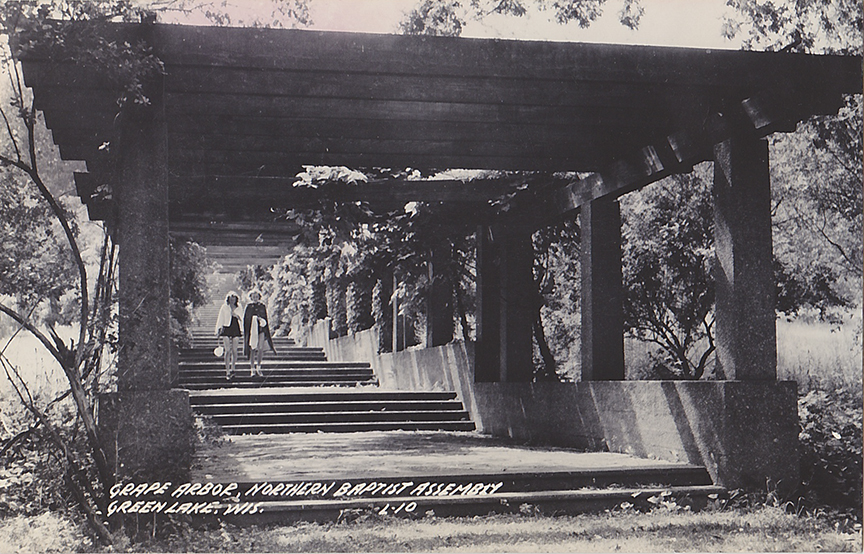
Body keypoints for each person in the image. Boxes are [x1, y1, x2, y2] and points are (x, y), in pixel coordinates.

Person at [243, 290, 276, 376]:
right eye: (253, 297)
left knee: (260, 348)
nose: (255, 298)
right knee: (253, 348)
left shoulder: (262, 306)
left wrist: (260, 319)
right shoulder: (249, 306)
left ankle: (259, 366)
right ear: (251, 297)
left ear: (259, 297)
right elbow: (246, 319)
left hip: (261, 329)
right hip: (252, 331)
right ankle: (252, 368)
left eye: (256, 296)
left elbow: (265, 317)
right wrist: (253, 319)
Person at [214, 291, 242, 380]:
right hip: (226, 327)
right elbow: (220, 318)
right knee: (227, 350)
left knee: (234, 350)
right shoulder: (224, 307)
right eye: (231, 299)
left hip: (236, 327)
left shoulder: (239, 307)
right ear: (228, 299)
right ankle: (227, 371)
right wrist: (218, 329)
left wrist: (236, 315)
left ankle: (233, 368)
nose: (232, 300)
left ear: (236, 299)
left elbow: (242, 318)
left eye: (234, 299)